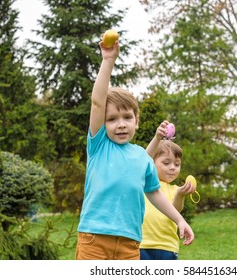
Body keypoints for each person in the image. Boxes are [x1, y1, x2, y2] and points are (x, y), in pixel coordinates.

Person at [75, 37, 194, 260]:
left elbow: (154, 192)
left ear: (136, 120)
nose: (120, 124)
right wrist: (108, 60)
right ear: (103, 122)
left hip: (130, 243)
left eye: (127, 117)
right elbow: (98, 102)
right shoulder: (99, 145)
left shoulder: (142, 157)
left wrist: (179, 219)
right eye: (111, 119)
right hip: (95, 238)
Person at [140, 121, 195, 260]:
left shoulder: (175, 189)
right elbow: (143, 160)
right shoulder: (143, 182)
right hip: (142, 244)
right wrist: (157, 138)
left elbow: (175, 211)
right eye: (166, 163)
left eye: (177, 164)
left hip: (167, 246)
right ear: (152, 163)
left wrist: (180, 195)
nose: (172, 167)